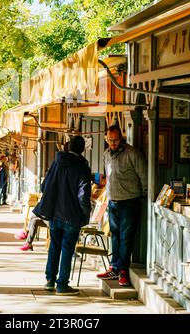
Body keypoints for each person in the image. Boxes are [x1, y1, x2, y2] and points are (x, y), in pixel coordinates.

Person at [33, 135, 91, 296]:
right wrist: (86, 214)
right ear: (82, 149)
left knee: (54, 246)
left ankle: (50, 280)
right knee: (67, 249)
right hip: (72, 216)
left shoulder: (56, 162)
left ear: (68, 146)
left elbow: (44, 186)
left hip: (54, 214)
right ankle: (62, 285)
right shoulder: (82, 167)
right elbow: (83, 195)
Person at [96, 125, 148, 287]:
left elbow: (144, 177)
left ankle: (123, 270)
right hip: (113, 202)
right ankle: (114, 266)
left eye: (116, 140)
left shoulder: (132, 154)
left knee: (126, 237)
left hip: (130, 201)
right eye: (110, 140)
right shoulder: (106, 154)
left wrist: (145, 197)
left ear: (122, 138)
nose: (112, 143)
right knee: (115, 235)